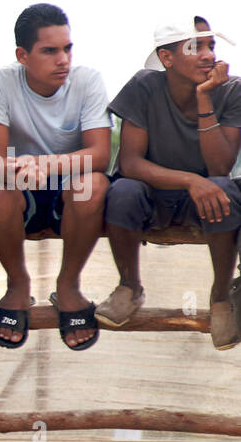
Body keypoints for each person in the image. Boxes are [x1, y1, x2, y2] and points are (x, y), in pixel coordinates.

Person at [102, 18, 241, 349]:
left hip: (206, 201)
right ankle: (129, 286)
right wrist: (191, 180)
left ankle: (220, 297)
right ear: (166, 58)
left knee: (225, 188)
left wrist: (205, 98)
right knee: (121, 190)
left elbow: (220, 166)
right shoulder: (145, 87)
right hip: (155, 195)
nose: (208, 55)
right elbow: (130, 162)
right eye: (195, 47)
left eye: (211, 46)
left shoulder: (231, 90)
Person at [0, 3, 110, 350]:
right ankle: (18, 285)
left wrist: (48, 164)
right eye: (49, 51)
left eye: (67, 48)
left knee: (92, 185)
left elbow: (100, 153)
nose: (63, 59)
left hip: (69, 187)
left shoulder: (87, 80)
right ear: (22, 55)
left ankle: (68, 286)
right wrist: (24, 169)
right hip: (23, 187)